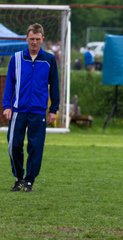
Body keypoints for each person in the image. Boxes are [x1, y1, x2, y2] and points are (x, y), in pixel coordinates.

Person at [2, 23, 59, 192]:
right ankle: (19, 176)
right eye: (31, 39)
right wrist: (7, 105)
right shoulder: (16, 58)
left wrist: (54, 110)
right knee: (14, 145)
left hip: (38, 111)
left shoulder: (49, 60)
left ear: (42, 39)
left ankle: (29, 180)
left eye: (37, 39)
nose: (34, 42)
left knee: (35, 147)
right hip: (18, 110)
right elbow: (9, 84)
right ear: (26, 39)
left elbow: (54, 85)